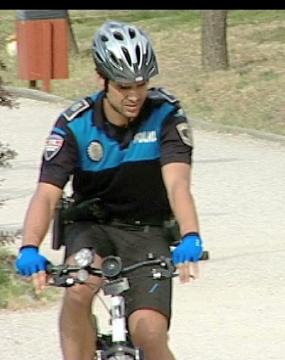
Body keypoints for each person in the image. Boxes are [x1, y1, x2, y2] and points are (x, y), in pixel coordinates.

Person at [15, 20, 203, 360]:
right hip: (92, 228)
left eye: (141, 85)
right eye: (122, 86)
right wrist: (30, 247)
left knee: (149, 331)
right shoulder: (76, 124)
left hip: (147, 230)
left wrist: (191, 235)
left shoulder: (167, 116)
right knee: (78, 290)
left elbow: (178, 184)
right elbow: (46, 193)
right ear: (102, 80)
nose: (133, 95)